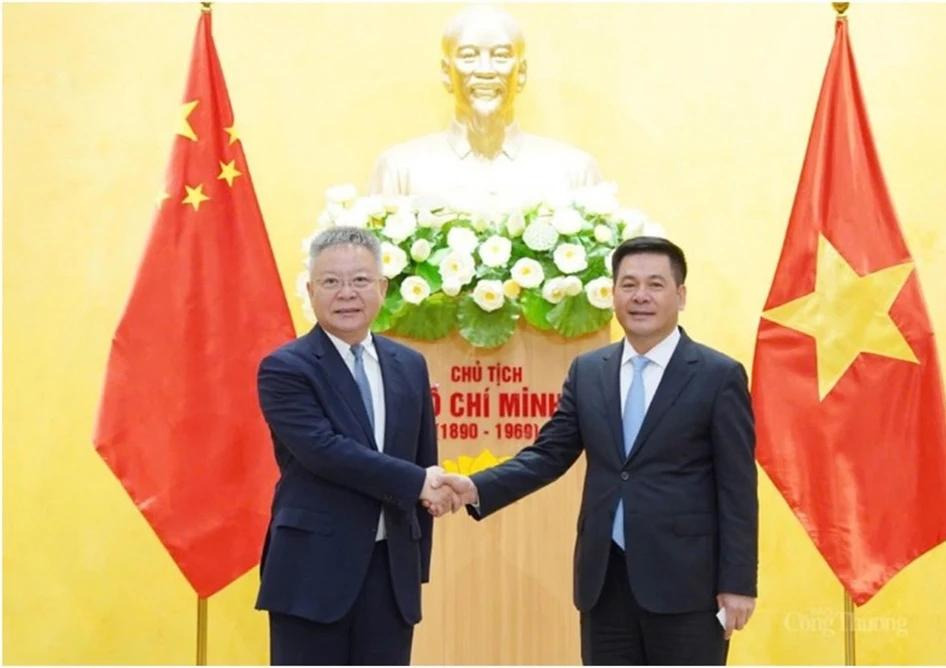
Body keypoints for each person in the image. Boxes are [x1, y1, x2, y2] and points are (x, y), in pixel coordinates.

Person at [431, 236, 758, 665]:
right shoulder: (590, 371)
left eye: (655, 285)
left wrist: (738, 583)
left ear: (680, 295)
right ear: (613, 293)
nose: (640, 296)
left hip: (687, 585)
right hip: (604, 581)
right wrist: (475, 487)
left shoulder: (718, 375)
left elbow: (737, 488)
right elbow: (548, 454)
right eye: (629, 284)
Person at [255, 227, 458, 665]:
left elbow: (424, 457)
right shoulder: (285, 368)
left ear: (382, 288)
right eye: (331, 281)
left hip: (391, 574)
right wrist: (420, 482)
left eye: (361, 280)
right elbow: (324, 451)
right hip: (310, 574)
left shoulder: (410, 365)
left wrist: (416, 560)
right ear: (310, 290)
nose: (347, 293)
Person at [368, 4, 602, 207]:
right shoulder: (400, 169)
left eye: (500, 56)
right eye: (468, 56)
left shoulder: (574, 171)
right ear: (446, 73)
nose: (485, 70)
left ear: (521, 73)